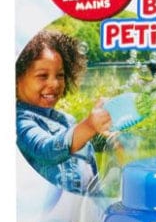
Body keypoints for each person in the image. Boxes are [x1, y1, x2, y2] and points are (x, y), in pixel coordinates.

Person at [16, 29, 111, 194]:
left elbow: (91, 174)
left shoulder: (67, 121)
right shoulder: (19, 121)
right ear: (16, 79)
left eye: (60, 75)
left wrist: (109, 138)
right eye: (42, 76)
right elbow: (46, 150)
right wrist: (88, 126)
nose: (54, 83)